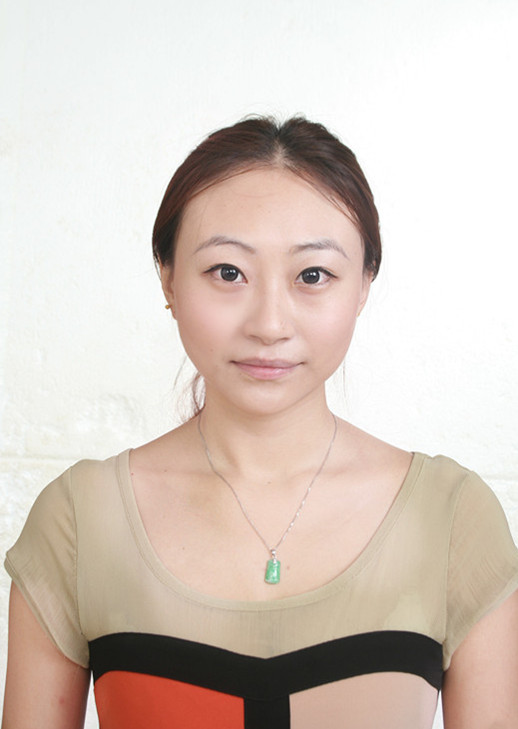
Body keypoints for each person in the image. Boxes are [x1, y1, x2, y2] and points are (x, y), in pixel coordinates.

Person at [2, 116, 518, 729]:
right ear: (168, 279)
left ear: (364, 285)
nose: (270, 324)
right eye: (228, 272)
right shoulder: (80, 519)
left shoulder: (452, 517)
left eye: (312, 275)